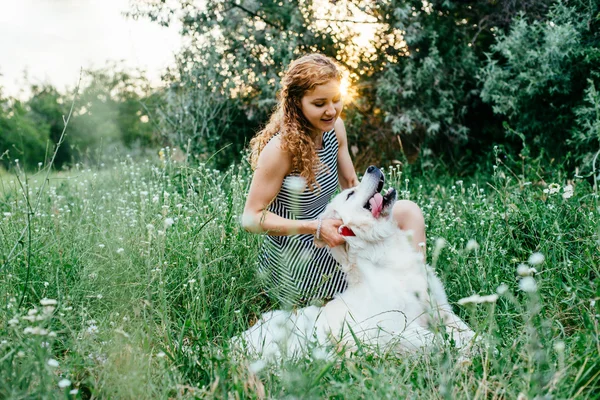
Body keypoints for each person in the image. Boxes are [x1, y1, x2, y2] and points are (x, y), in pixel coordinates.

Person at [242, 53, 426, 306]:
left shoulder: (334, 128)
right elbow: (251, 218)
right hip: (296, 253)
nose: (331, 111)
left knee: (407, 211)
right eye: (319, 104)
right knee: (362, 301)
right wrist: (315, 227)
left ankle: (418, 290)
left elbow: (350, 183)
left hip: (333, 232)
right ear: (297, 103)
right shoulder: (280, 149)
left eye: (337, 100)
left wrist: (371, 211)